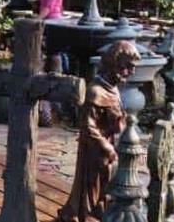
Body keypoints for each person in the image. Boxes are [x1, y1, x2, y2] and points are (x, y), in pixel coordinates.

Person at [56, 41, 140, 222]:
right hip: (95, 146)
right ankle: (85, 213)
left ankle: (100, 208)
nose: (131, 72)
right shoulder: (95, 91)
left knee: (106, 180)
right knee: (91, 183)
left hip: (109, 142)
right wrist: (105, 146)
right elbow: (87, 125)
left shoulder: (113, 88)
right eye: (127, 67)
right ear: (115, 64)